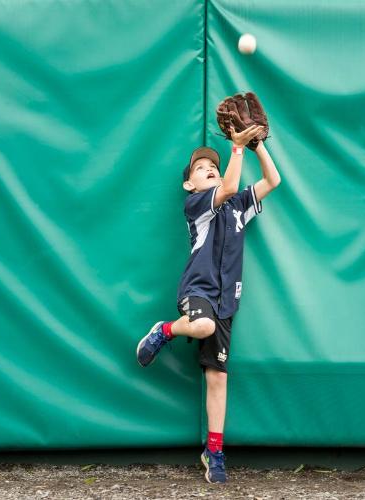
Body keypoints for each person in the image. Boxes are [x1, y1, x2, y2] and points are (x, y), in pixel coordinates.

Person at [136, 123, 281, 483]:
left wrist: (258, 145)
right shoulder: (196, 204)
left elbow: (273, 180)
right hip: (197, 289)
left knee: (218, 378)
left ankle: (213, 451)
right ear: (190, 184)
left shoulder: (237, 205)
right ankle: (164, 330)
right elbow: (229, 184)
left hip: (226, 300)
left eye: (211, 166)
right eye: (201, 168)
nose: (209, 169)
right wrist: (236, 148)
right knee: (203, 325)